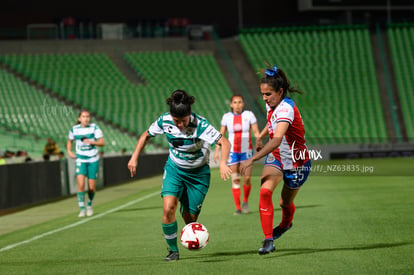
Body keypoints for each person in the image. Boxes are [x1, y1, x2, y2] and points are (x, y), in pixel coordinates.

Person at [127, 89, 232, 262]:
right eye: (177, 121)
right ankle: (173, 251)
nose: (180, 125)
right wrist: (134, 157)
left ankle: (187, 209)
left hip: (199, 175)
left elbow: (224, 142)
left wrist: (222, 163)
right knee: (168, 208)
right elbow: (146, 135)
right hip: (175, 170)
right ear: (171, 115)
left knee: (190, 219)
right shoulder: (164, 120)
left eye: (183, 121)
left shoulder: (201, 125)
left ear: (190, 115)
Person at [239, 65, 311, 255]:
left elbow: (277, 139)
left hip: (297, 163)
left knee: (284, 203)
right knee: (264, 192)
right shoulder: (271, 102)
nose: (264, 98)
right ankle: (268, 240)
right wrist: (261, 136)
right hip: (277, 158)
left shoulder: (286, 108)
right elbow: (271, 123)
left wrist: (251, 159)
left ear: (280, 92)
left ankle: (286, 223)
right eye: (262, 94)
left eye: (268, 94)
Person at [214, 95, 260, 215]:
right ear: (231, 104)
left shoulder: (249, 115)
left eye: (240, 102)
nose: (237, 105)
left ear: (243, 104)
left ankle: (245, 200)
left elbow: (256, 132)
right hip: (232, 153)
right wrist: (217, 149)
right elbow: (221, 134)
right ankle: (238, 207)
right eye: (235, 102)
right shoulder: (227, 117)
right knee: (235, 179)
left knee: (247, 178)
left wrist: (259, 141)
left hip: (247, 152)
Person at [67, 110, 105, 218]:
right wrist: (69, 151)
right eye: (84, 116)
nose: (86, 118)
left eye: (88, 116)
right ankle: (82, 209)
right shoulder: (74, 129)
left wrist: (91, 142)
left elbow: (102, 142)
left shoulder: (94, 128)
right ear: (79, 118)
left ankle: (89, 205)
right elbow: (70, 141)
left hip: (93, 159)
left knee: (92, 187)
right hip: (81, 160)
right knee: (81, 185)